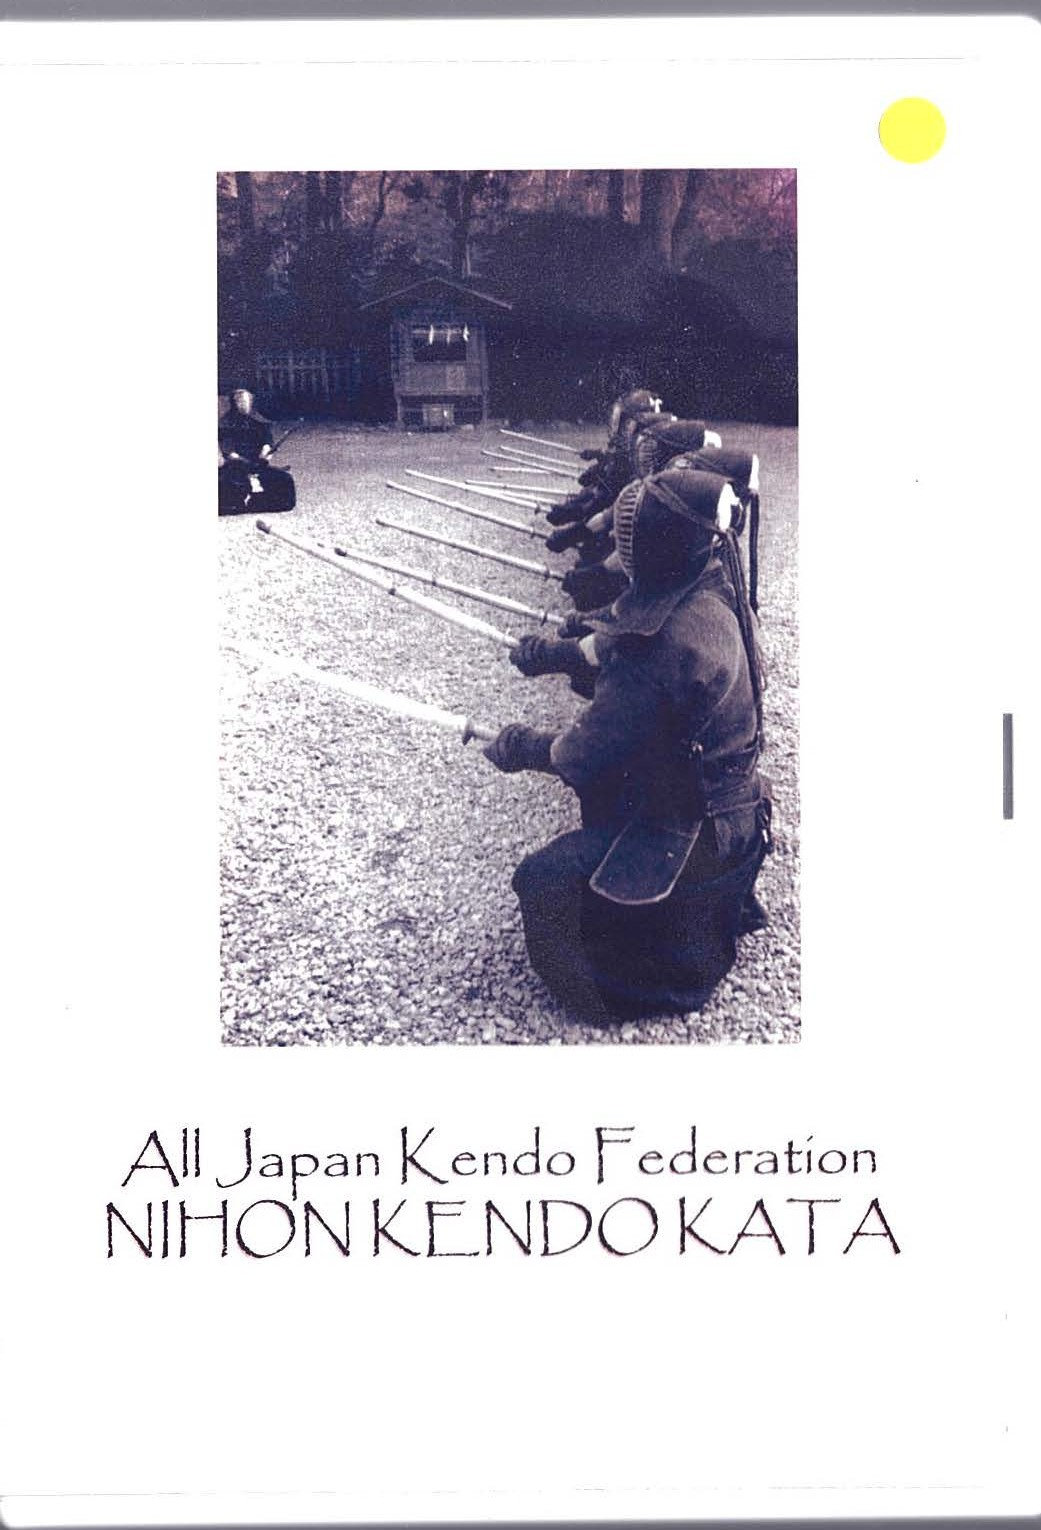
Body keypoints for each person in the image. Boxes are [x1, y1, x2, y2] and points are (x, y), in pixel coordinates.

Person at [483, 467, 771, 1024]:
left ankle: (662, 977)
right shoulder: (715, 589)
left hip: (700, 832)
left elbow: (585, 753)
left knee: (541, 881)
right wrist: (557, 654)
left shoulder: (661, 648)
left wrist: (522, 746)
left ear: (657, 549)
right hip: (739, 817)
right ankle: (706, 912)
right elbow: (620, 640)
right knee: (623, 791)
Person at [218, 388, 296, 516]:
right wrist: (245, 462)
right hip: (236, 467)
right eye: (240, 401)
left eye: (246, 401)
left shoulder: (258, 422)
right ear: (234, 403)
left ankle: (260, 503)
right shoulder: (225, 425)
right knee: (228, 485)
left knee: (284, 479)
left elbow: (266, 441)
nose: (243, 404)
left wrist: (265, 452)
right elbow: (229, 452)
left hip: (258, 464)